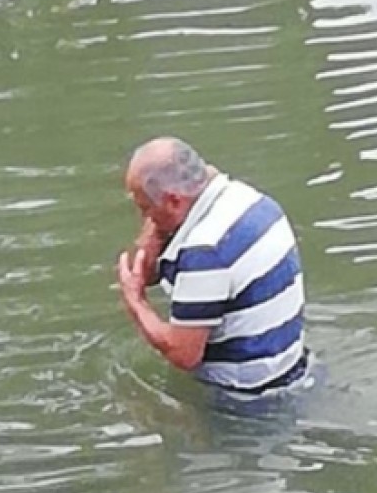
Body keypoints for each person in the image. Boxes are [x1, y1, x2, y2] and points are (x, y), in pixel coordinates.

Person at [116, 136, 311, 401]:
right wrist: (160, 224)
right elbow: (147, 271)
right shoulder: (250, 199)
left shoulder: (204, 251)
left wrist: (136, 303)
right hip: (292, 368)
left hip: (245, 399)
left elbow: (184, 355)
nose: (145, 219)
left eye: (145, 209)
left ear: (173, 201)